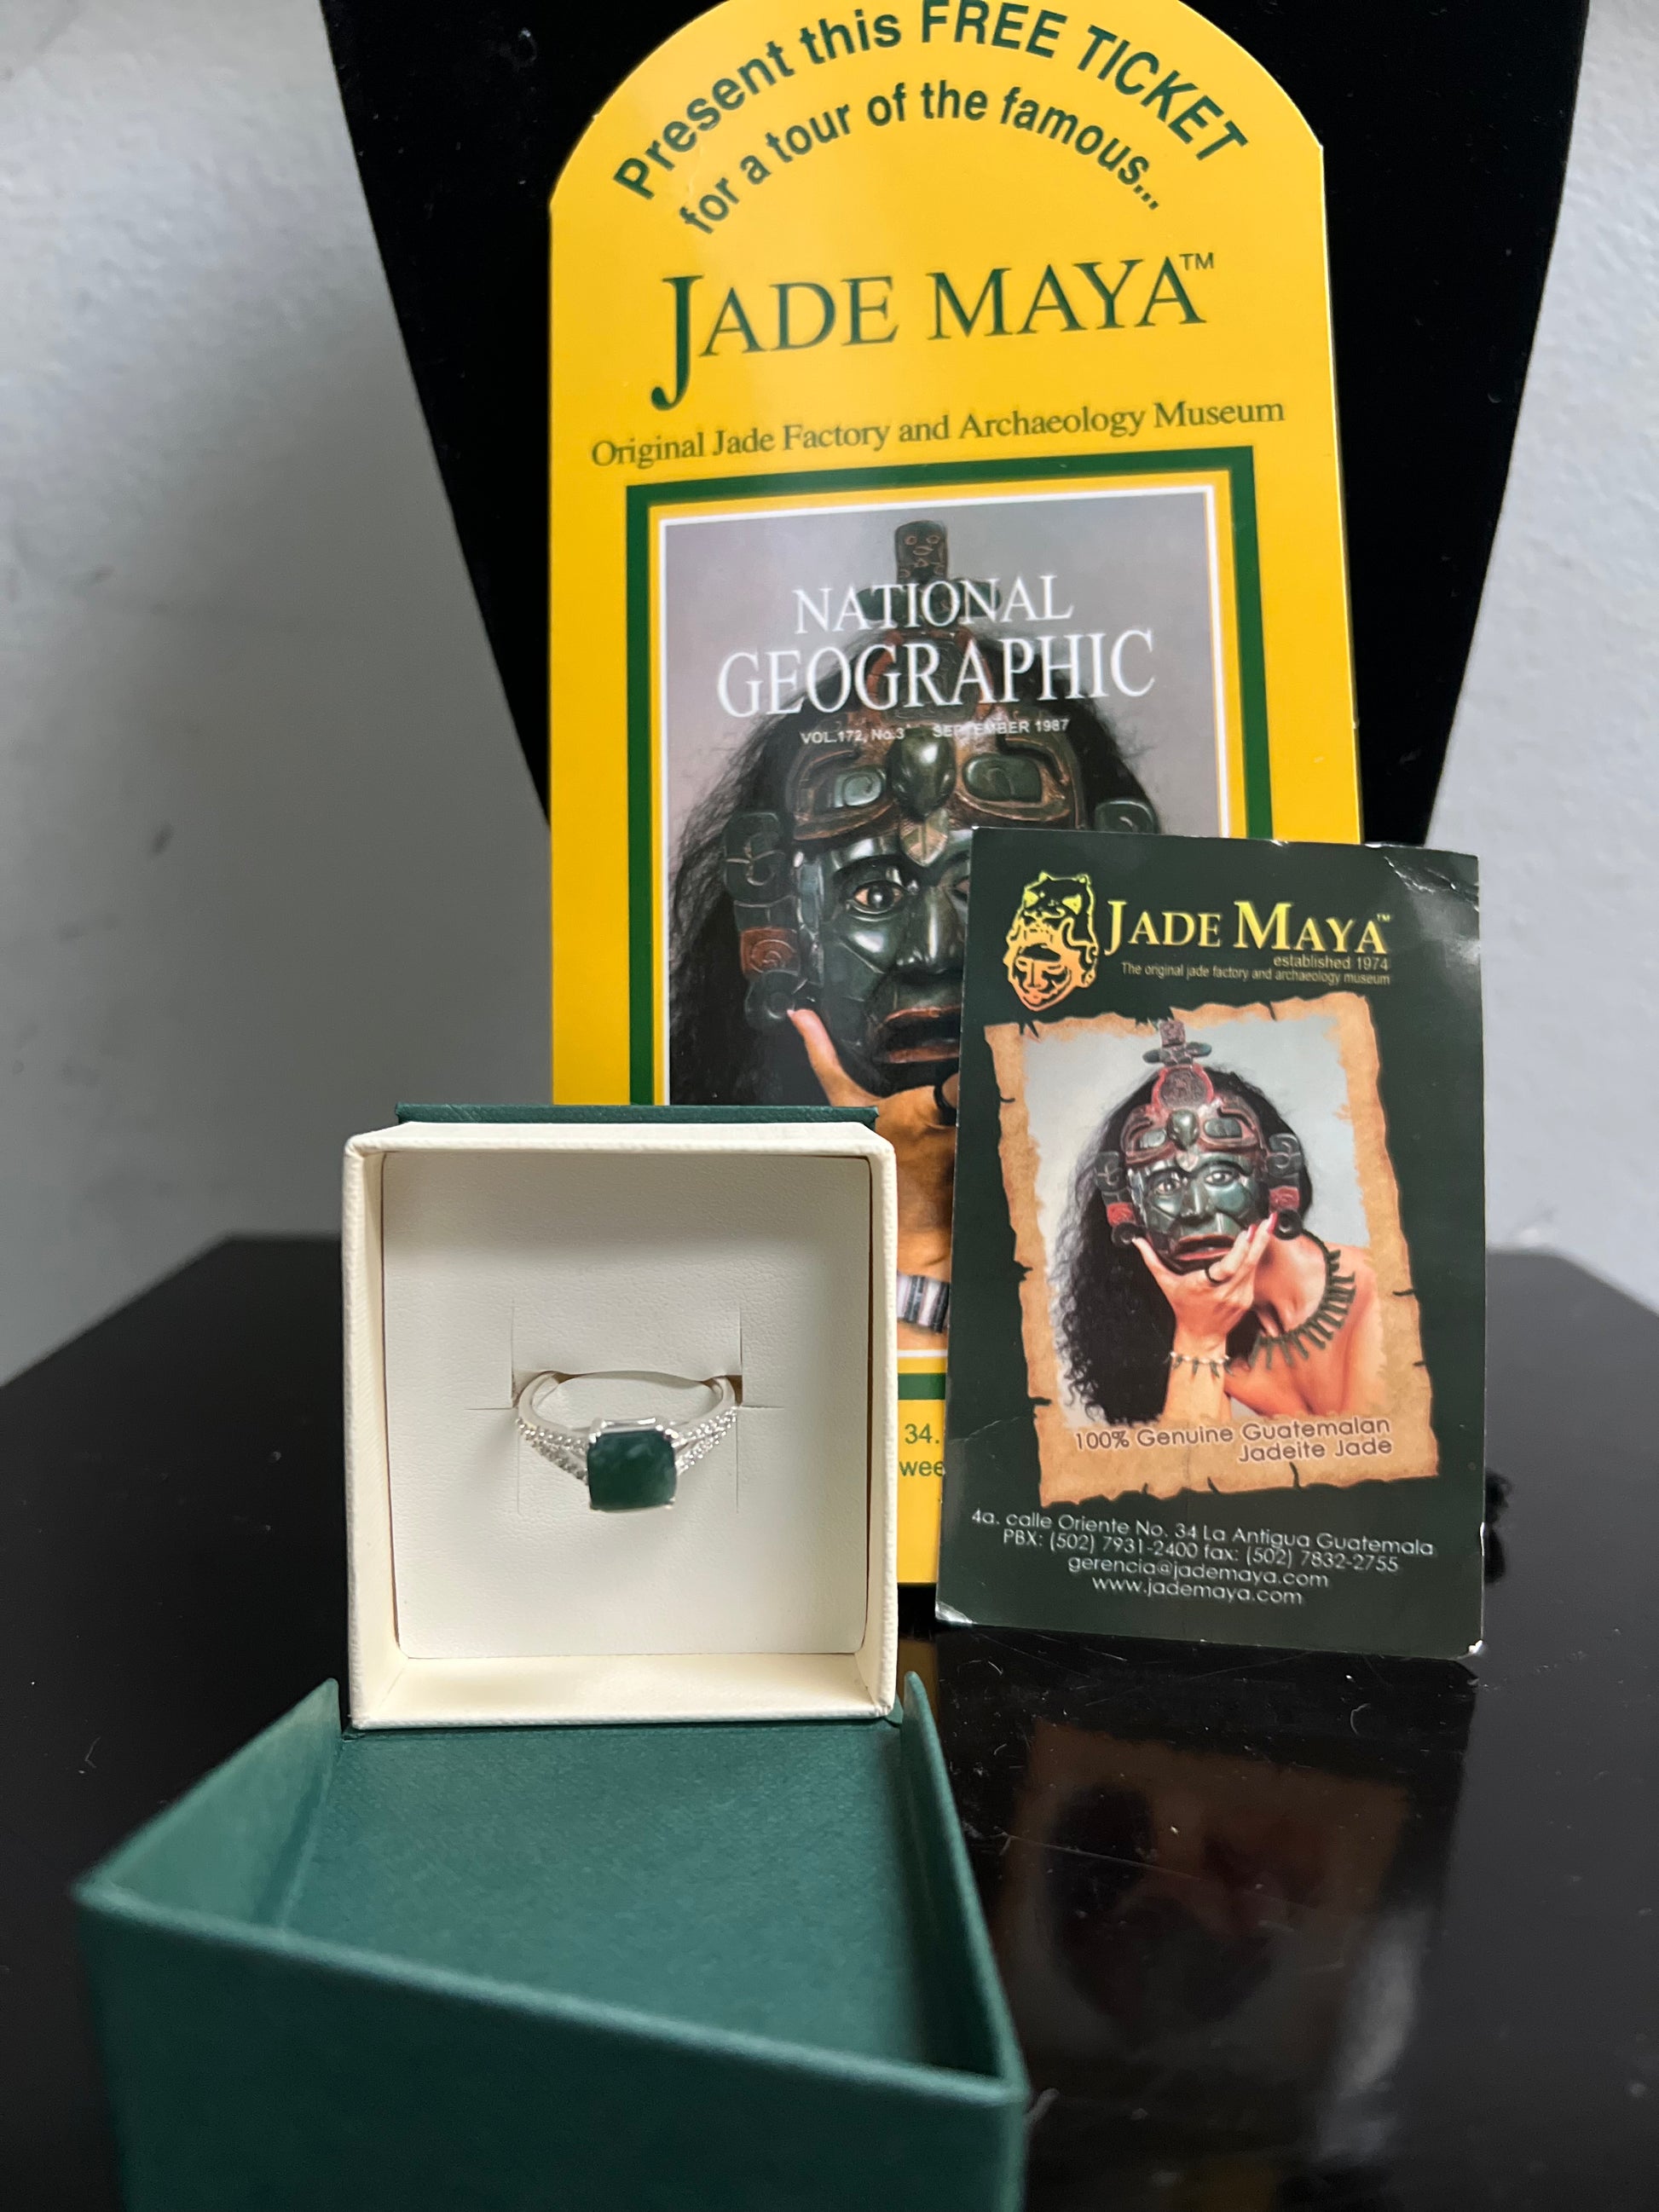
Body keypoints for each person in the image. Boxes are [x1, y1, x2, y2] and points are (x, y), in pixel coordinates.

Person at [670, 517, 1157, 1347]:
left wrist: (921, 1233)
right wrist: (910, 1218)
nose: (933, 950)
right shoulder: (693, 1254)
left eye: (985, 889)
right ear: (778, 926)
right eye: (873, 892)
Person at [1056, 1021, 1383, 1422]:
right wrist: (1200, 1339)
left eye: (1221, 1176)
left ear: (1275, 1177)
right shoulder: (1200, 1328)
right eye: (1165, 1185)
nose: (1195, 1209)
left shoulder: (1381, 1291)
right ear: (1127, 1208)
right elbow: (1193, 1462)